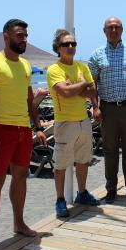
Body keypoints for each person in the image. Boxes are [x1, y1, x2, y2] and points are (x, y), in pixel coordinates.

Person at [0, 19, 46, 250]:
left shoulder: (25, 65)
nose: (23, 39)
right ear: (6, 36)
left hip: (22, 130)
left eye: (25, 35)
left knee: (20, 177)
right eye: (19, 35)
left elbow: (28, 100)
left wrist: (37, 127)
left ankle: (18, 222)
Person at [89, 17, 126, 204]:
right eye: (110, 27)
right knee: (109, 150)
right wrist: (95, 107)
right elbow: (92, 84)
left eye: (117, 27)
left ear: (122, 30)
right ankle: (111, 189)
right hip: (108, 109)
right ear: (104, 30)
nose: (113, 30)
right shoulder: (97, 54)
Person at [47, 29, 100, 217]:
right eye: (66, 44)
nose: (70, 47)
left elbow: (92, 91)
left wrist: (74, 86)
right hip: (65, 122)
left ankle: (82, 192)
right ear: (58, 48)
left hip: (83, 121)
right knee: (61, 164)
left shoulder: (81, 66)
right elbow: (64, 92)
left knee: (83, 160)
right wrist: (82, 85)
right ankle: (60, 199)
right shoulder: (54, 69)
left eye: (73, 44)